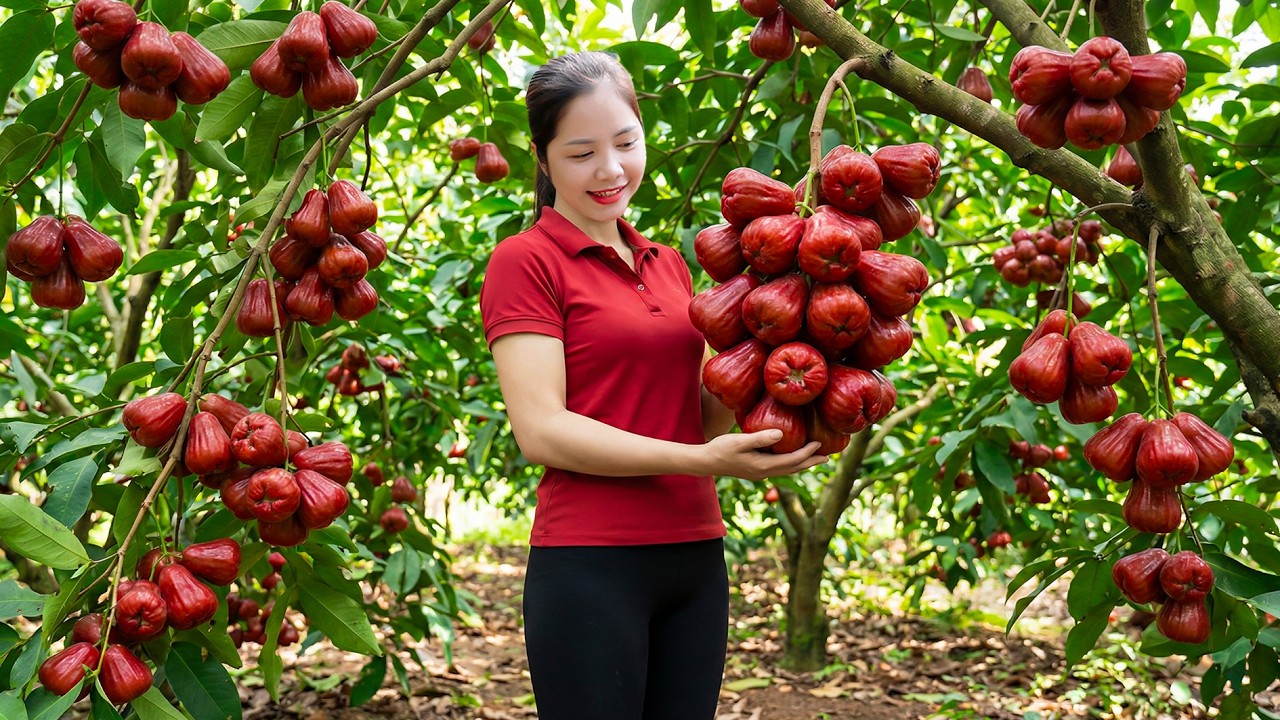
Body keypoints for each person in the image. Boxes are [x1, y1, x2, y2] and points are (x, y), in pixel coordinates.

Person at [478, 51, 827, 720]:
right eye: (581, 153)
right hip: (590, 565)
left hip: (695, 558)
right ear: (543, 159)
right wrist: (701, 462)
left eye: (625, 142)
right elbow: (541, 431)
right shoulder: (525, 261)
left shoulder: (669, 264)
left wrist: (793, 318)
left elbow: (705, 410)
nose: (610, 170)